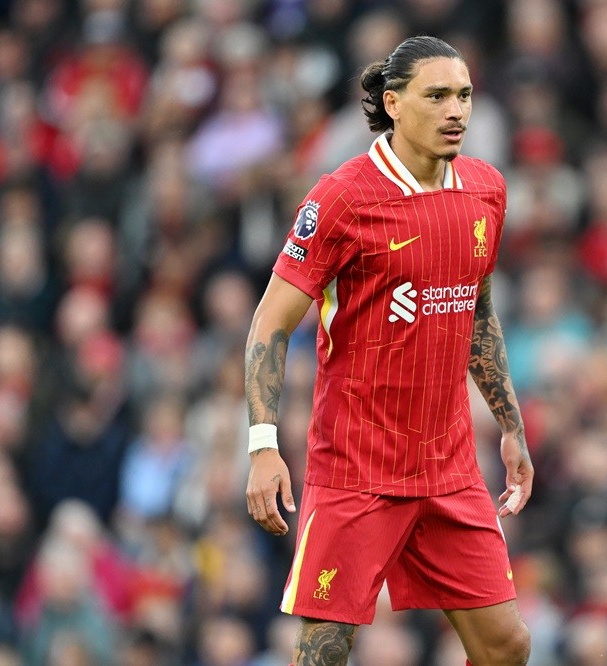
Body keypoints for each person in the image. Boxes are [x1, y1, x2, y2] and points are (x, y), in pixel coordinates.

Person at [243, 36, 533, 666]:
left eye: (464, 95)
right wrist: (263, 446)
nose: (456, 110)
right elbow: (269, 323)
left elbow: (477, 315)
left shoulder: (486, 191)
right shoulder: (342, 199)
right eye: (438, 96)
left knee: (507, 646)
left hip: (449, 465)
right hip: (357, 467)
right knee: (324, 651)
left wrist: (511, 425)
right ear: (394, 104)